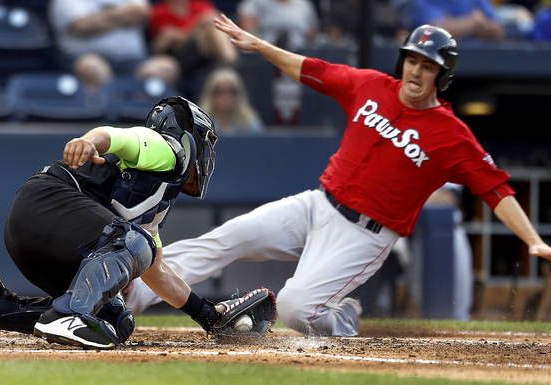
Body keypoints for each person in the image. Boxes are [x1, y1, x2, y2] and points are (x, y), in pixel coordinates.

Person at [125, 18, 551, 336]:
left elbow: (495, 188)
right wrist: (259, 45)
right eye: (412, 60)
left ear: (444, 75)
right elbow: (309, 68)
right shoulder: (370, 85)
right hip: (317, 204)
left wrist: (531, 238)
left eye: (428, 66)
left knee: (293, 308)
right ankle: (132, 297)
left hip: (365, 235)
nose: (416, 72)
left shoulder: (451, 134)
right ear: (402, 61)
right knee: (226, 238)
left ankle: (339, 320)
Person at [0, 97, 268, 349]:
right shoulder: (166, 149)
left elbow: (154, 269)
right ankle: (69, 314)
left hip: (35, 230)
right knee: (132, 243)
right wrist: (89, 140)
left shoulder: (149, 199)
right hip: (47, 205)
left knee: (116, 319)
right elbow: (114, 136)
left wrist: (208, 316)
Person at [49, 0, 180, 90]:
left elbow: (141, 13)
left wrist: (101, 18)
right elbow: (82, 26)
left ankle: (140, 116)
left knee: (166, 66)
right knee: (91, 66)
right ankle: (107, 116)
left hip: (134, 63)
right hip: (87, 59)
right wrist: (122, 17)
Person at [148, 0, 237, 88]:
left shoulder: (198, 5)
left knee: (212, 29)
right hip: (179, 57)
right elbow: (163, 42)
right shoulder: (159, 12)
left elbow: (216, 18)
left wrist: (188, 31)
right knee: (209, 27)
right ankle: (231, 63)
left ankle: (229, 61)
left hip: (204, 49)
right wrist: (198, 24)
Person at [198, 67, 264, 134]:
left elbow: (261, 142)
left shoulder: (249, 122)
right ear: (210, 95)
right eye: (219, 92)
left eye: (231, 91)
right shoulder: (200, 123)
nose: (226, 97)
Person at [237, 0, 319, 51]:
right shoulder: (256, 3)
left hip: (300, 51)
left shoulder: (303, 4)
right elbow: (247, 28)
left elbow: (312, 31)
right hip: (267, 52)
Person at [410, 0, 506, 40]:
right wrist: (474, 23)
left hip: (480, 62)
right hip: (439, 62)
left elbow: (498, 31)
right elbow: (436, 32)